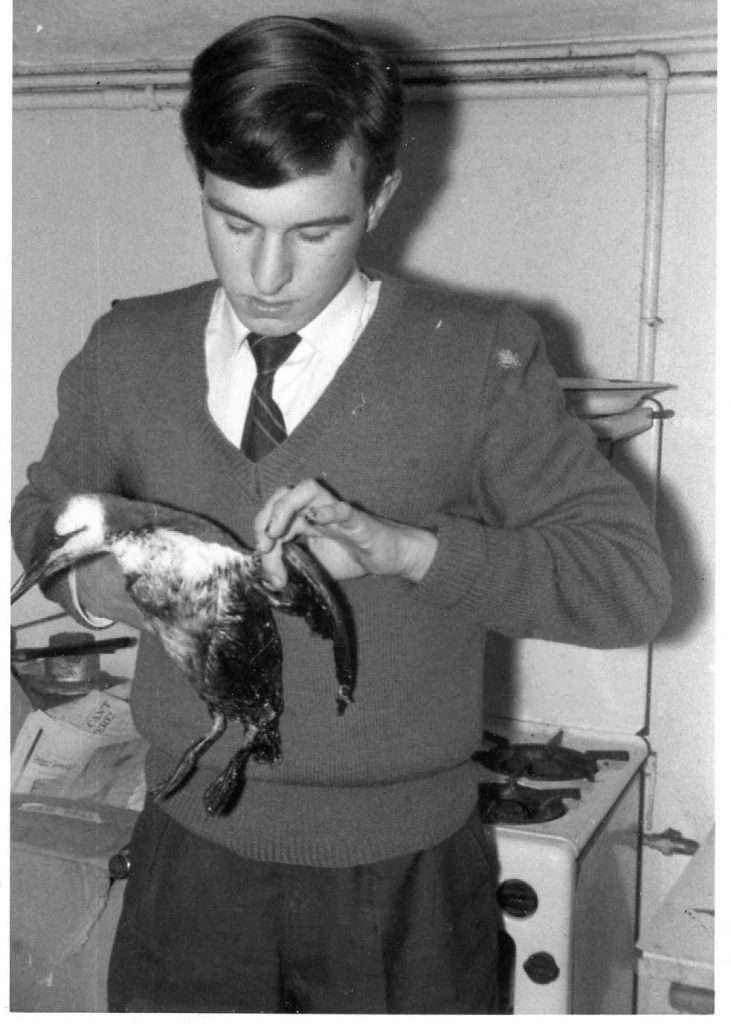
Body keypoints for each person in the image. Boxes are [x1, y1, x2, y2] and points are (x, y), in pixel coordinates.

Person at [11, 14, 671, 1014]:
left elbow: (628, 587)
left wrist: (410, 549)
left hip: (402, 883)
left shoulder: (475, 357)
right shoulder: (126, 351)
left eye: (313, 231)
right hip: (189, 871)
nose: (264, 276)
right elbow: (43, 516)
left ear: (381, 196)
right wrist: (115, 581)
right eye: (232, 222)